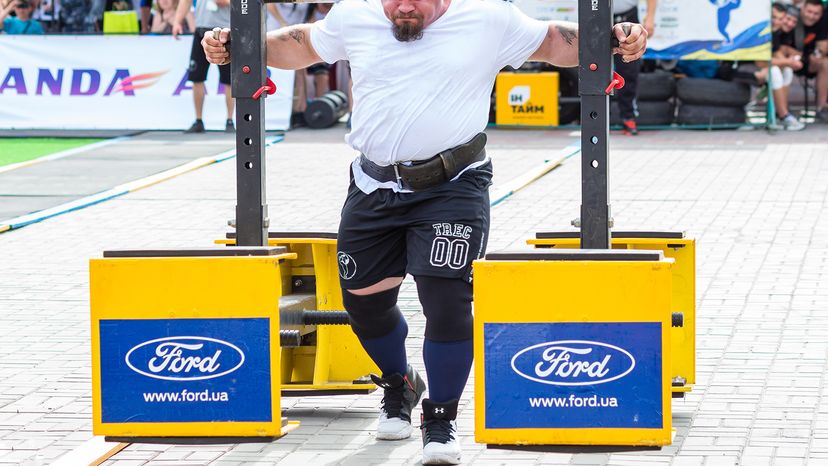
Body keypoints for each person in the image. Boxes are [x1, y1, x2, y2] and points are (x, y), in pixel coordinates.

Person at [202, 1, 646, 464]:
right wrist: (237, 45)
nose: (403, 7)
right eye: (393, 0)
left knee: (447, 300)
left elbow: (555, 41)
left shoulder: (488, 17)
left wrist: (614, 37)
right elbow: (301, 45)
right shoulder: (356, 15)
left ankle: (440, 419)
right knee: (362, 301)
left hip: (452, 184)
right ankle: (400, 384)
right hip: (373, 184)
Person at [172, 0, 233, 133]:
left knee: (229, 80)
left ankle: (230, 120)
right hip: (201, 30)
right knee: (196, 78)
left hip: (224, 31)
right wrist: (177, 21)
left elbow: (244, 4)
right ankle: (198, 120)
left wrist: (226, 2)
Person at [613, 0, 656, 135]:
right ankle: (593, 117)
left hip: (627, 19)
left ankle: (628, 117)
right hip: (598, 15)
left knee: (629, 69)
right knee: (594, 67)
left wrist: (650, 18)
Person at [794, 0, 828, 121]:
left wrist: (817, 55)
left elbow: (823, 46)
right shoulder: (792, 17)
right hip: (788, 59)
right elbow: (783, 48)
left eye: (816, 13)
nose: (811, 16)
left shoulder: (823, 21)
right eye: (809, 11)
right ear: (802, 8)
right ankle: (781, 111)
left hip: (810, 61)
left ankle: (821, 108)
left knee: (825, 63)